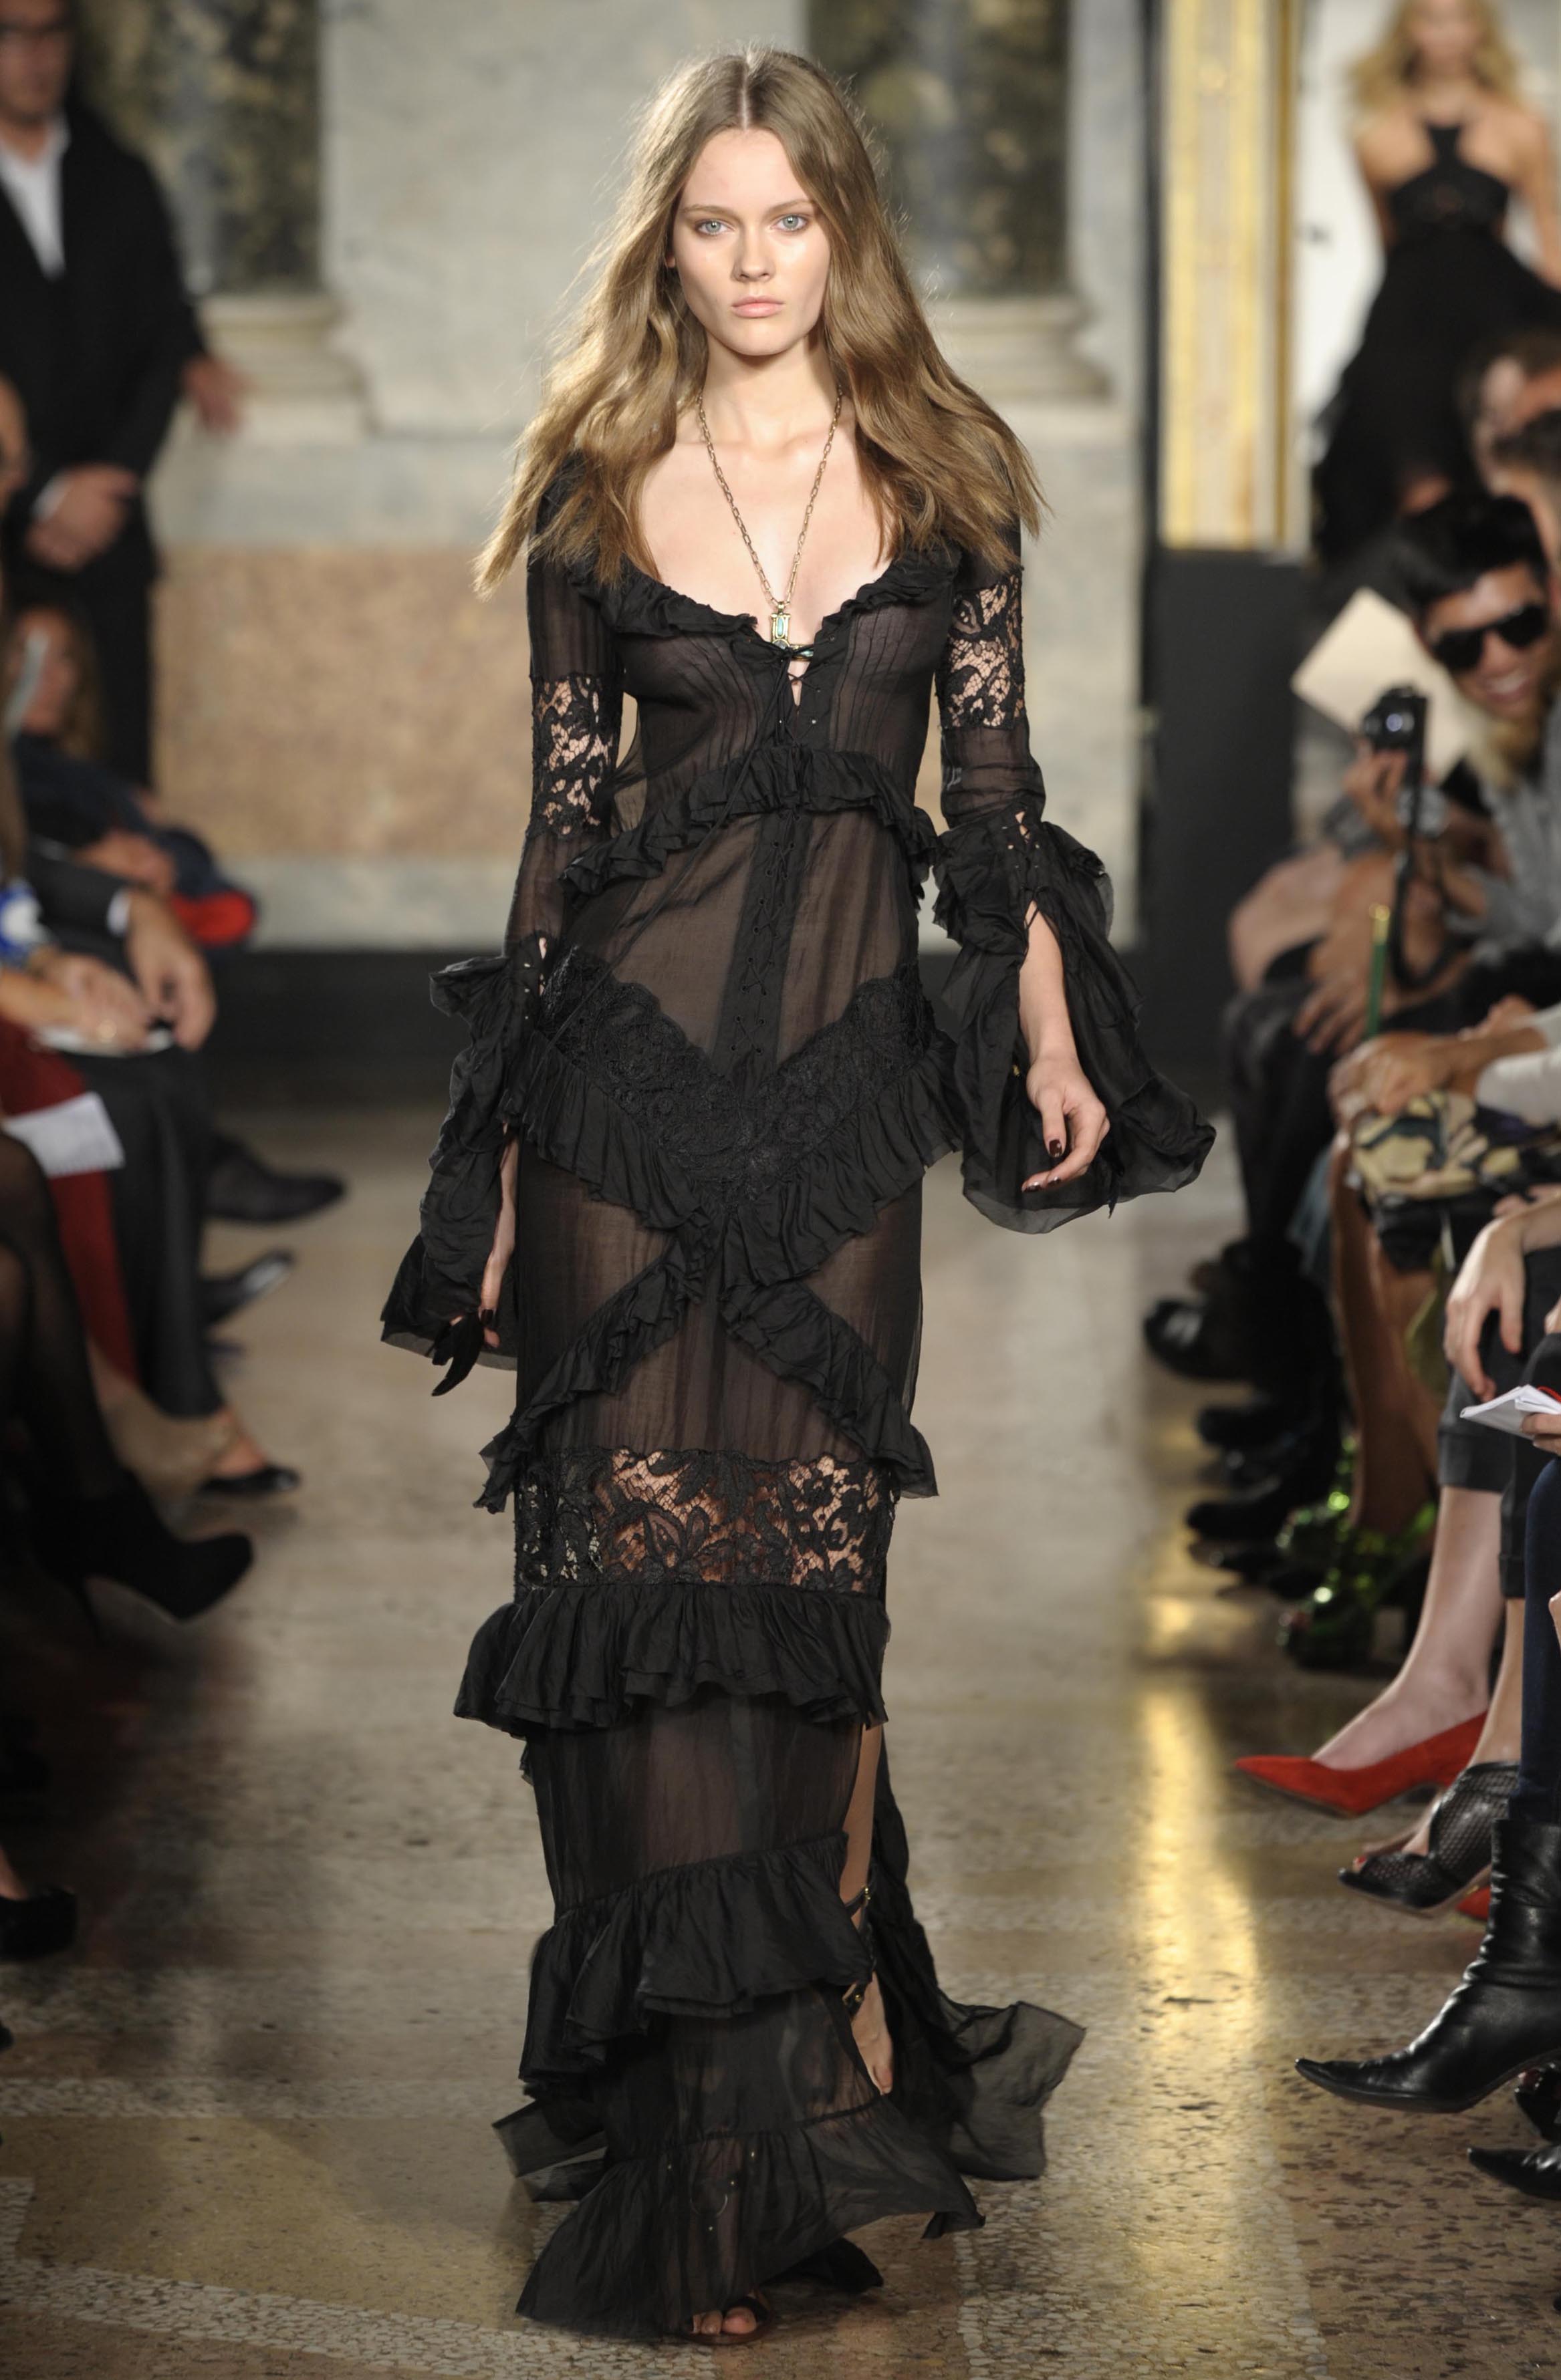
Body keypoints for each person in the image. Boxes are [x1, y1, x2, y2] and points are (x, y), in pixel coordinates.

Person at [382, 45, 1210, 2347]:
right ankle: (701, 2160)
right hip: (621, 1114)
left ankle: (813, 2085)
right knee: (639, 1616)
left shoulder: (948, 480)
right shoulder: (592, 482)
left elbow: (993, 811)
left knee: (805, 1613)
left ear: (844, 227)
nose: (751, 263)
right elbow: (560, 845)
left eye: (788, 218)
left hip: (843, 1117)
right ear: (666, 245)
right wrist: (491, 1157)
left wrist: (1049, 1037)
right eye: (710, 224)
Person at [0, 0, 219, 781]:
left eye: (53, 31)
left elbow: (164, 342)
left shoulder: (118, 174)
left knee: (126, 768)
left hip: (111, 528)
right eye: (12, 32)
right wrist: (42, 494)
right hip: (7, 522)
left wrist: (111, 484)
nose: (37, 55)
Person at [1314, 0, 1561, 571]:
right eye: (1431, 19)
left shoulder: (1520, 125)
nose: (1446, 36)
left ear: (1481, 29)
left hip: (1494, 314)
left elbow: (1548, 239)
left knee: (1503, 455)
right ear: (1408, 30)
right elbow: (1387, 245)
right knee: (1404, 469)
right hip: (1411, 324)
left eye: (1460, 19)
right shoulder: (1374, 134)